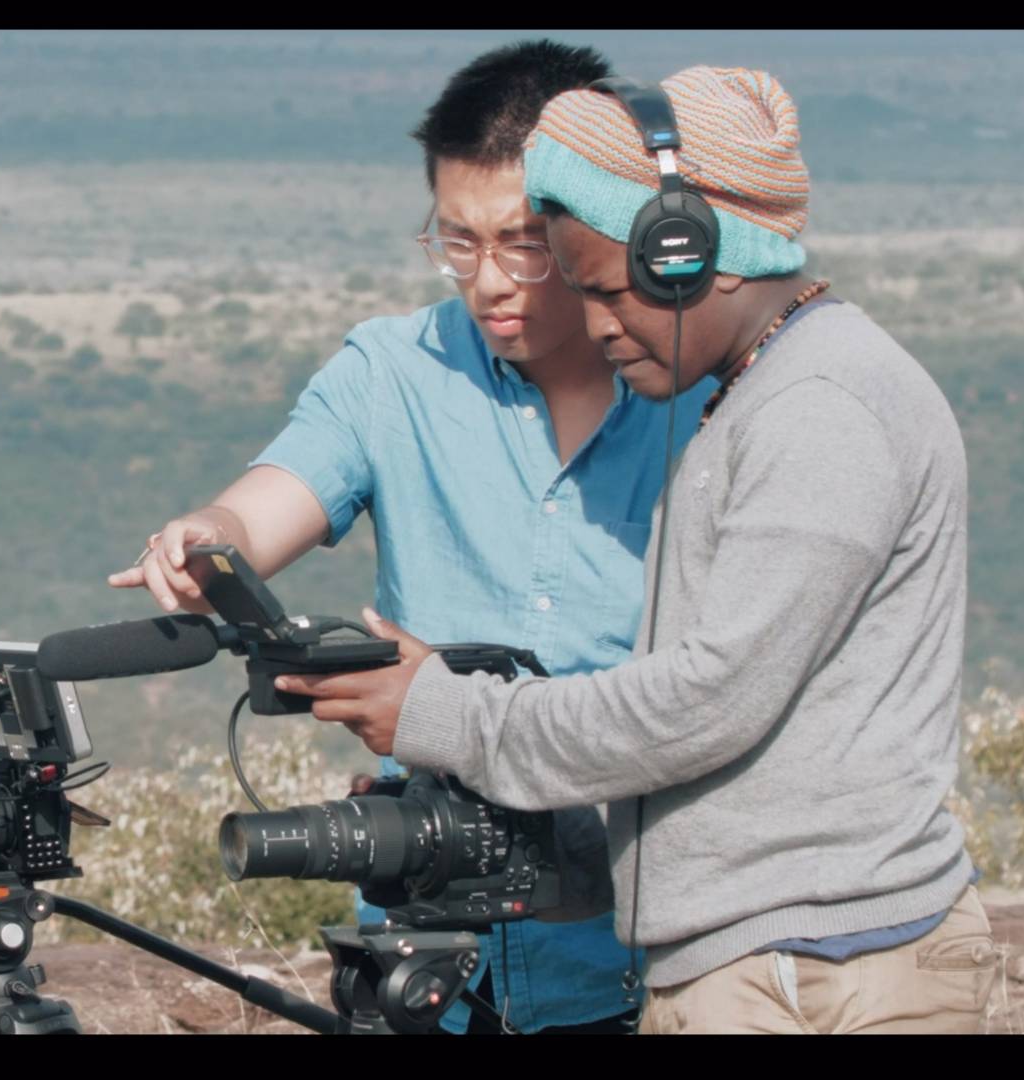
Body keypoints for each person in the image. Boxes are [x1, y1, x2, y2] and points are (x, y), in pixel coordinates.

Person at [278, 65, 999, 1034]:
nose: (599, 327)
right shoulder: (758, 399)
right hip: (770, 962)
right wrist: (497, 839)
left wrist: (445, 714)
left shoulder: (820, 410)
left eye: (613, 292)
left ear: (693, 254)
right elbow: (745, 766)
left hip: (825, 973)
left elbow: (708, 701)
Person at [106, 40, 711, 1033]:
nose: (489, 282)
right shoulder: (393, 369)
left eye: (523, 243)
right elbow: (265, 505)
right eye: (457, 241)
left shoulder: (702, 396)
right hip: (430, 960)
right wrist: (205, 538)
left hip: (648, 958)